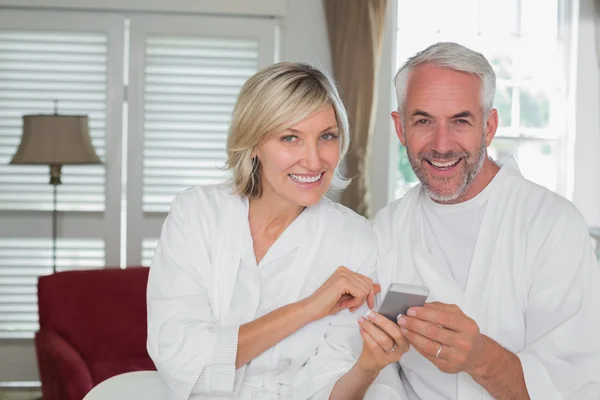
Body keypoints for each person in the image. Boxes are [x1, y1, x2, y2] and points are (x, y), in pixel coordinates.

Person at [146, 62, 409, 400]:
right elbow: (180, 360)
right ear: (253, 143)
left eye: (327, 136)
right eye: (290, 138)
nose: (314, 161)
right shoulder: (196, 214)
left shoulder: (356, 239)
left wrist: (368, 367)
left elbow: (331, 386)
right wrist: (308, 308)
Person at [373, 42, 600, 399]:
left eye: (460, 121)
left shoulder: (553, 225)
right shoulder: (385, 229)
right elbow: (376, 369)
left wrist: (480, 358)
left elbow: (576, 383)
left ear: (489, 126)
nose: (442, 144)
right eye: (423, 121)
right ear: (401, 128)